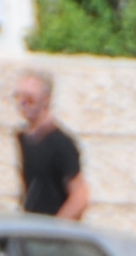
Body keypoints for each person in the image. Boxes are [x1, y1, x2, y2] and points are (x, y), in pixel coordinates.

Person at [15, 70, 90, 221]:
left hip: (49, 237)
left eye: (29, 98)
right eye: (18, 97)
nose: (22, 103)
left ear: (46, 100)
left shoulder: (61, 143)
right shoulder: (23, 138)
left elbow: (80, 197)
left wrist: (55, 230)